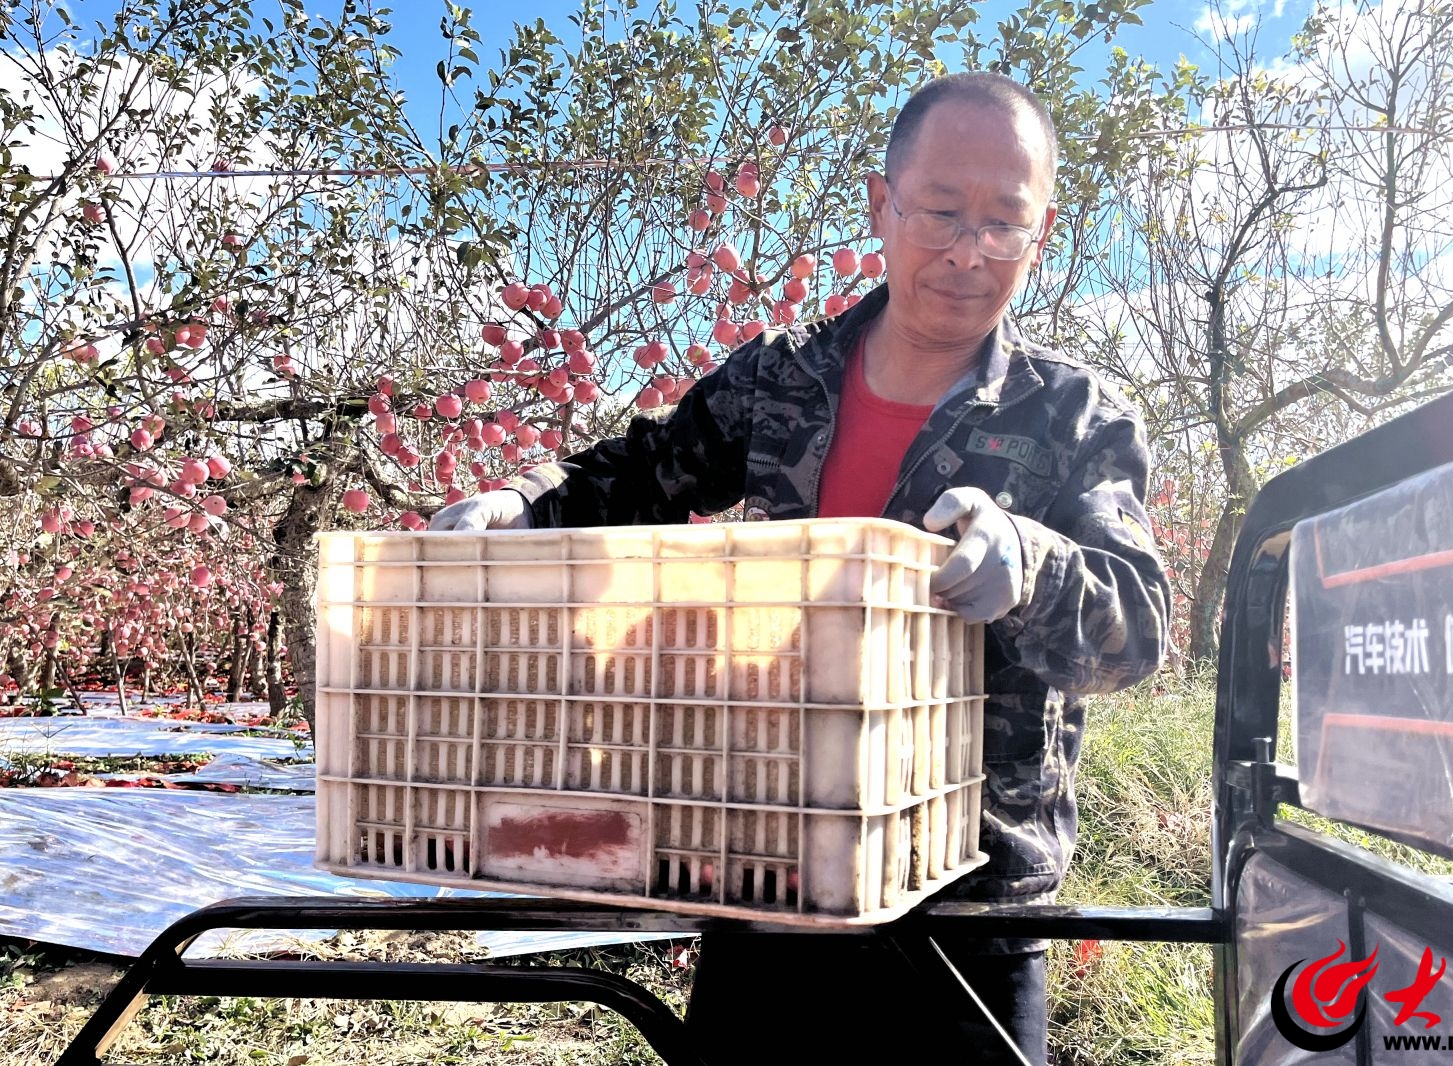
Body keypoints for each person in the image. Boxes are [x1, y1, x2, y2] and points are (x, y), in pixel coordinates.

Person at [431, 72, 1170, 1065]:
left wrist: (1027, 567)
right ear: (881, 205)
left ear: (1041, 231)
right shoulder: (782, 380)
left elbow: (1135, 626)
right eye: (941, 213)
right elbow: (640, 468)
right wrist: (523, 501)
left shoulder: (1074, 416)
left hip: (967, 909)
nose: (967, 252)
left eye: (1004, 223)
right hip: (774, 868)